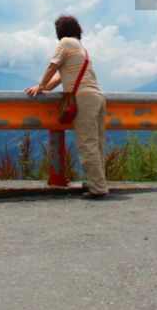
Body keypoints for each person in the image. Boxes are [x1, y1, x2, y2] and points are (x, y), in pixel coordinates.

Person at [26, 14, 109, 198]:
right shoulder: (80, 48)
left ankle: (98, 188)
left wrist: (39, 86)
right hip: (98, 97)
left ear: (60, 31)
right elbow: (59, 78)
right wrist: (43, 87)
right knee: (97, 145)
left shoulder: (64, 42)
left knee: (86, 145)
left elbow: (52, 66)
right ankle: (97, 182)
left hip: (85, 98)